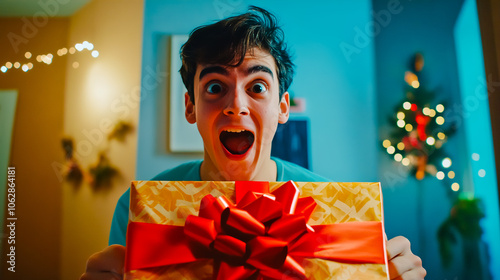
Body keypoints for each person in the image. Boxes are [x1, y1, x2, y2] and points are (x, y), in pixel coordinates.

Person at [80, 6, 426, 280]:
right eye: (215, 87)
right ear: (190, 107)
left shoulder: (337, 210)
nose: (236, 105)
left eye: (257, 87)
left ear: (282, 108)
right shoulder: (138, 210)